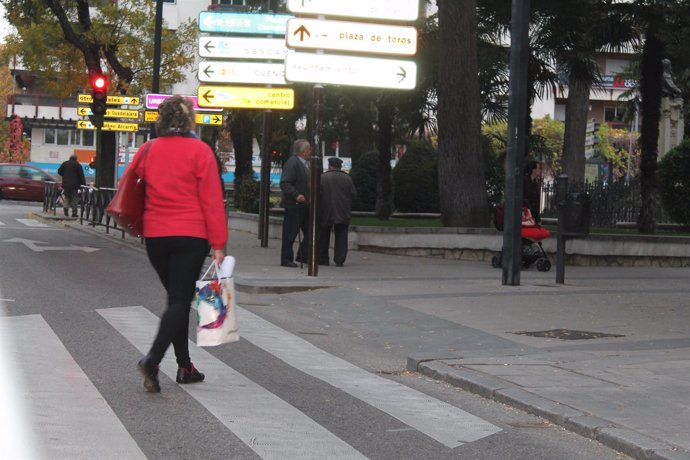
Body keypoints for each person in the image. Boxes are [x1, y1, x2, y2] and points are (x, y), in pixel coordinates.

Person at [134, 95, 227, 393]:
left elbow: (132, 182)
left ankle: (185, 367)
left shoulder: (148, 149)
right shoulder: (200, 151)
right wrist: (219, 244)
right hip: (190, 235)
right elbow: (212, 201)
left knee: (176, 299)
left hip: (156, 237)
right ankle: (153, 359)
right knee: (178, 301)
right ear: (189, 120)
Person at [318, 157, 357, 267]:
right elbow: (354, 195)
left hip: (326, 211)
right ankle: (340, 259)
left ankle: (323, 258)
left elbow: (317, 195)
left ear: (330, 166)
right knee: (341, 235)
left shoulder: (322, 177)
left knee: (324, 235)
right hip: (343, 211)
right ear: (340, 166)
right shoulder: (347, 178)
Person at [280, 139, 311, 267]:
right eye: (309, 149)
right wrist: (296, 195)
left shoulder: (306, 163)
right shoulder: (293, 163)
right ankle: (286, 259)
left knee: (310, 232)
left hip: (305, 204)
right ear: (303, 151)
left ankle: (303, 255)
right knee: (290, 233)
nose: (310, 151)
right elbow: (285, 183)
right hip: (295, 205)